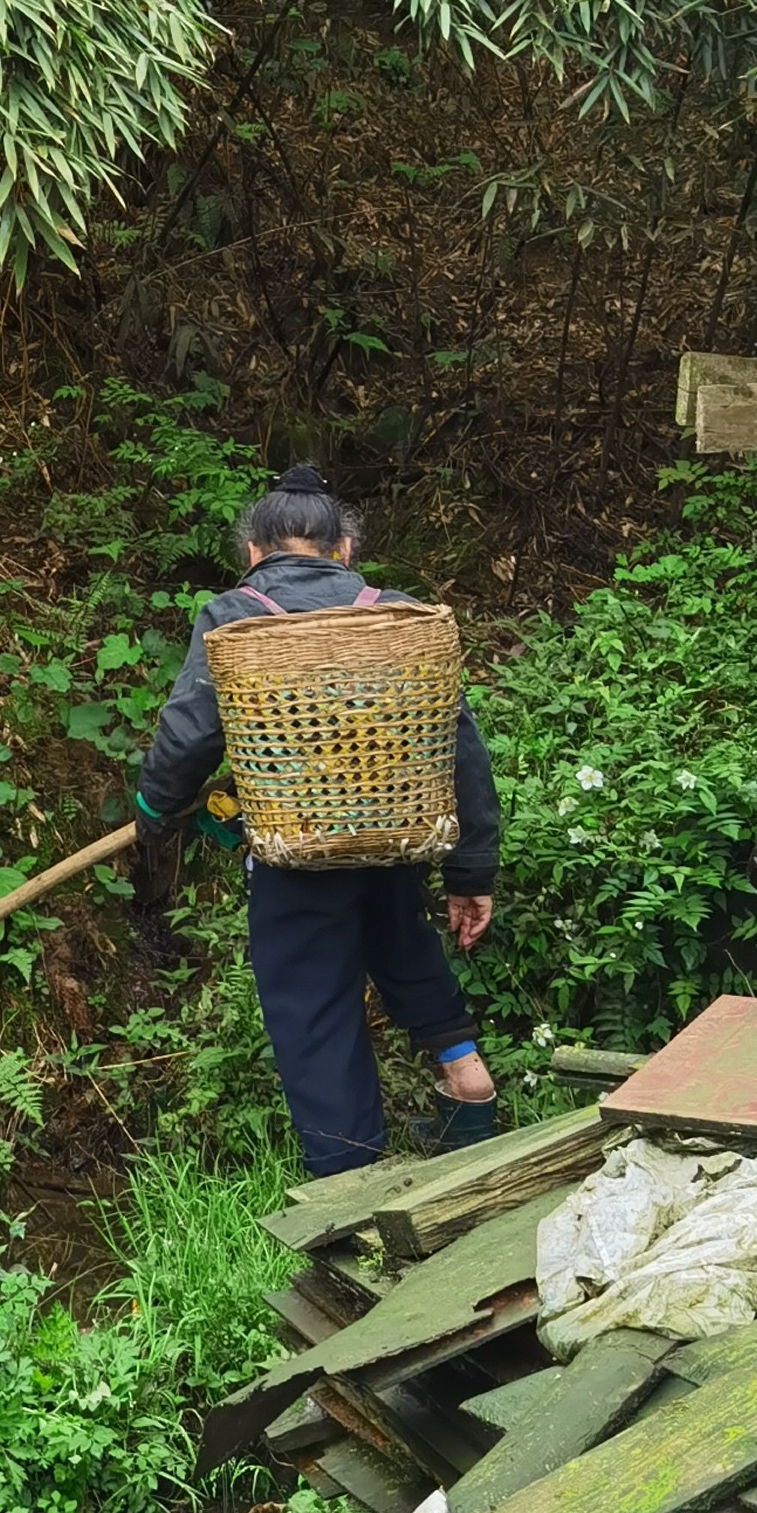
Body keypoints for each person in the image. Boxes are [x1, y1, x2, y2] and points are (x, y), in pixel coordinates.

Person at [127, 463, 501, 1178]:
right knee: (398, 936)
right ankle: (466, 1077)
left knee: (312, 1007)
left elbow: (186, 736)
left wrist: (155, 813)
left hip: (297, 853)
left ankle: (349, 1188)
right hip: (394, 835)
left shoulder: (235, 614)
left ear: (252, 553)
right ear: (344, 550)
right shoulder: (394, 612)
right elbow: (459, 742)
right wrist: (471, 867)